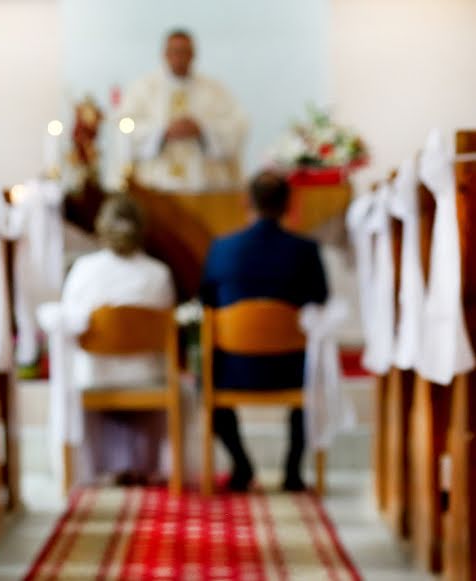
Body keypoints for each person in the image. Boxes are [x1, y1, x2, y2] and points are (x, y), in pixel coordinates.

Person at [200, 171, 328, 491]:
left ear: (246, 202)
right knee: (314, 367)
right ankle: (292, 471)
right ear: (288, 205)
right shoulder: (305, 250)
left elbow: (206, 302)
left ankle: (241, 465)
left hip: (233, 370)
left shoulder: (222, 249)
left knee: (205, 373)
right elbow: (321, 300)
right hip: (292, 369)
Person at [60, 196, 177, 484]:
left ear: (102, 227)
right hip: (146, 373)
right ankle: (143, 463)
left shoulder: (84, 270)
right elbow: (169, 325)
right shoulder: (159, 274)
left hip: (96, 373)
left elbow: (68, 320)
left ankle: (106, 466)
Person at [119, 29, 247, 193]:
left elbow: (237, 126)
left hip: (204, 186)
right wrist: (162, 132)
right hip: (154, 186)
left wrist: (202, 130)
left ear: (193, 55)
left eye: (185, 52)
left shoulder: (215, 90)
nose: (179, 57)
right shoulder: (143, 89)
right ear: (165, 54)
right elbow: (125, 126)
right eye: (174, 51)